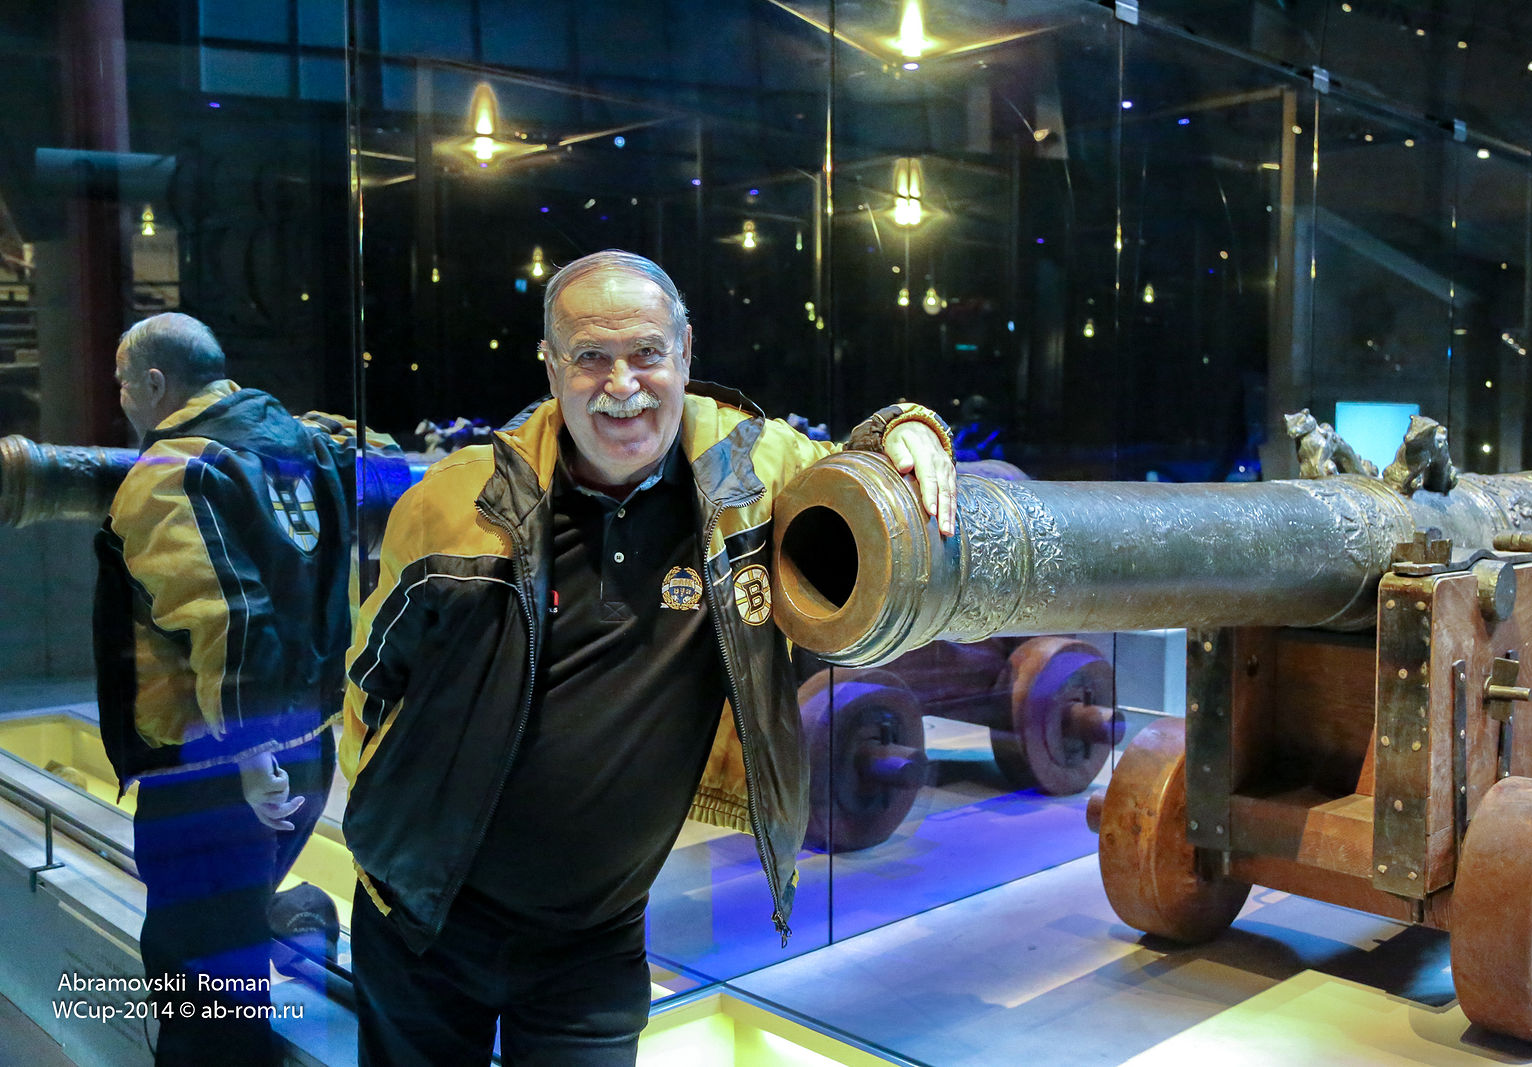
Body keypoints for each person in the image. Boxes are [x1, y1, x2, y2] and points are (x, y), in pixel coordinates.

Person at [341, 249, 957, 1065]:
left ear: (686, 352)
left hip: (594, 943)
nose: (622, 384)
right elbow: (370, 683)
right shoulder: (453, 504)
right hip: (421, 921)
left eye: (645, 352)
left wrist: (906, 427)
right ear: (551, 366)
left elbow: (857, 472)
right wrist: (388, 834)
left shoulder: (746, 468)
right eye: (591, 357)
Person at [94, 312, 367, 1064]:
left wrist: (249, 752)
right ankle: (298, 921)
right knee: (232, 926)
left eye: (122, 384)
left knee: (200, 988)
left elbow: (228, 618)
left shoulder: (172, 473)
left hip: (218, 764)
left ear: (154, 382)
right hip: (307, 748)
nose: (121, 398)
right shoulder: (303, 441)